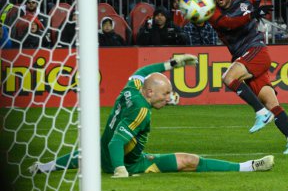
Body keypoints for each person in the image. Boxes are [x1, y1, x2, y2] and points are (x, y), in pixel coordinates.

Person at [28, 56, 275, 177]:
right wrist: (120, 169)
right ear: (149, 92)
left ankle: (42, 166)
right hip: (133, 162)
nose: (170, 98)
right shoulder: (142, 110)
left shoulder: (132, 88)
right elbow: (117, 143)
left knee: (83, 155)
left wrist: (172, 63)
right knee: (190, 160)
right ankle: (248, 167)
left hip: (101, 151)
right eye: (166, 94)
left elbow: (142, 71)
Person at [207, 0, 288, 154]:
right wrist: (251, 15)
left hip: (256, 50)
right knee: (271, 102)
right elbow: (230, 23)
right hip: (245, 55)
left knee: (228, 77)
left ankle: (260, 114)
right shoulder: (213, 13)